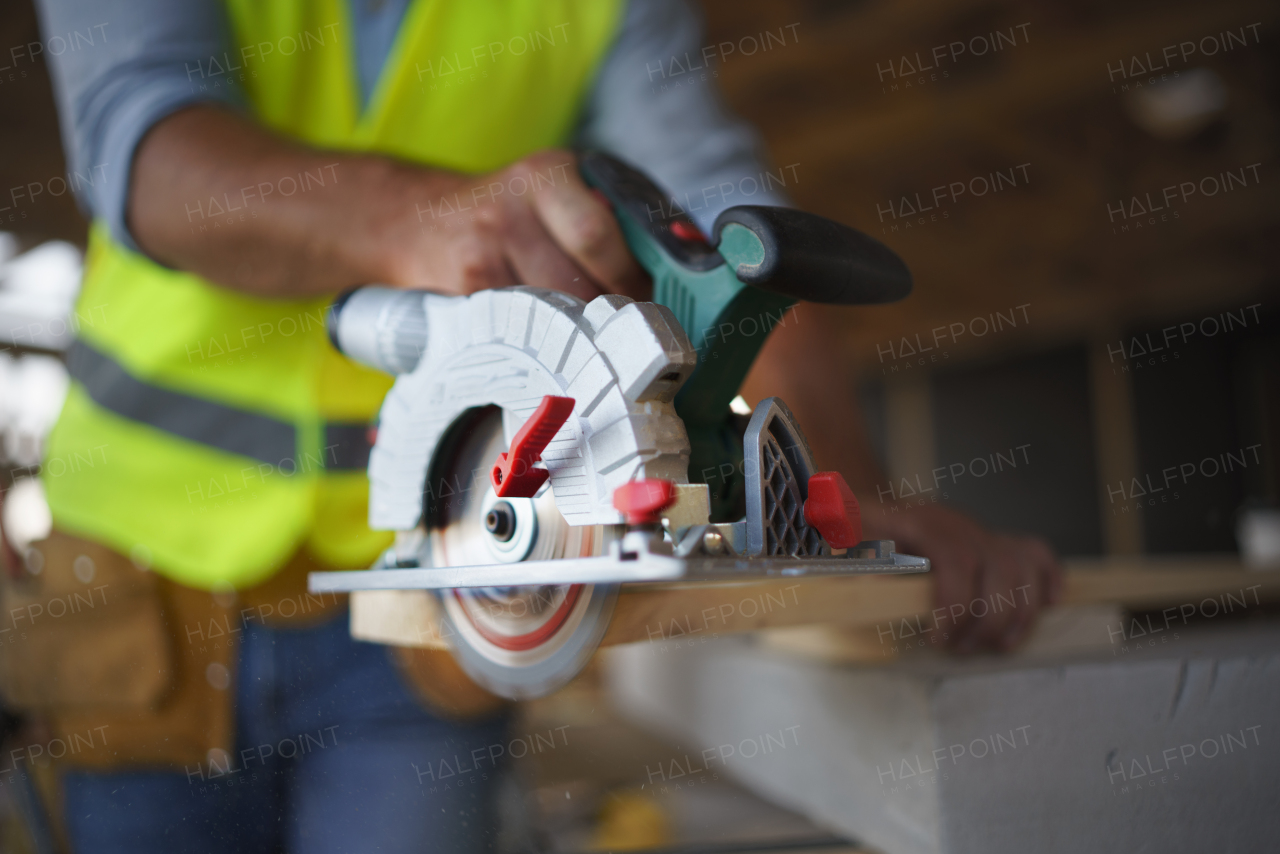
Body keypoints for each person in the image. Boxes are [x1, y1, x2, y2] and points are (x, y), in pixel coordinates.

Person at [2, 0, 1062, 850]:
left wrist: (836, 503)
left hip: (430, 594)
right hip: (142, 573)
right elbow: (143, 143)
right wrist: (421, 218)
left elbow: (722, 237)